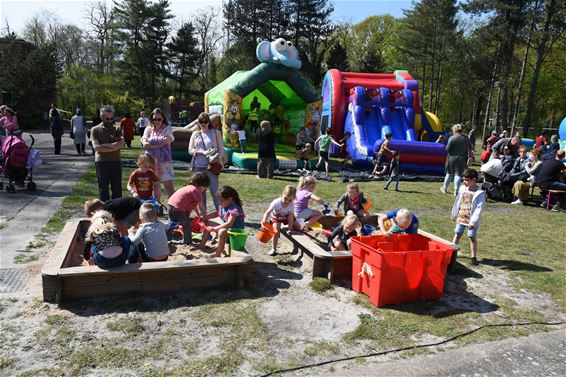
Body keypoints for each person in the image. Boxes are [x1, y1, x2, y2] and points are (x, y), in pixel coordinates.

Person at [188, 112, 227, 210]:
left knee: (215, 191)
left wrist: (217, 157)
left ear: (209, 122)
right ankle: (204, 214)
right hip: (198, 166)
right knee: (200, 192)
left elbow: (221, 148)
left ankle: (220, 213)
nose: (203, 124)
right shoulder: (195, 134)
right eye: (201, 122)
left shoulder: (215, 133)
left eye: (205, 121)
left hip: (212, 166)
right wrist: (200, 152)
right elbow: (190, 150)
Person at [451, 168, 486, 266]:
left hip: (471, 220)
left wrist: (473, 222)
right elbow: (458, 202)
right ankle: (451, 252)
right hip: (461, 217)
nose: (464, 182)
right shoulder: (462, 189)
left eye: (466, 180)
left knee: (471, 237)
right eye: (464, 180)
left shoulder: (480, 193)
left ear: (474, 180)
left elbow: (479, 209)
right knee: (457, 234)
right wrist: (454, 214)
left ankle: (473, 257)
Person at [200, 186, 245, 258]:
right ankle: (201, 245)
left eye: (221, 200)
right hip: (228, 229)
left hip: (235, 233)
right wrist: (205, 217)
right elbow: (217, 213)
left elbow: (229, 223)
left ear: (229, 199)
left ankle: (217, 253)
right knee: (208, 223)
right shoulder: (224, 205)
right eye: (219, 200)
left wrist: (215, 228)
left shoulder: (234, 208)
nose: (219, 202)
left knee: (221, 231)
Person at [91, 105, 124, 201]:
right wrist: (114, 146)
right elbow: (96, 147)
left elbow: (121, 144)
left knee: (117, 189)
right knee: (103, 189)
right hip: (101, 162)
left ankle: (117, 210)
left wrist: (105, 145)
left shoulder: (117, 129)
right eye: (107, 118)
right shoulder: (95, 129)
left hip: (116, 162)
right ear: (102, 117)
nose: (110, 121)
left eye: (111, 118)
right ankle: (105, 210)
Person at [141, 108, 175, 202]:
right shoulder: (148, 128)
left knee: (168, 185)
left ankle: (174, 207)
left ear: (163, 119)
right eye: (155, 119)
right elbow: (145, 144)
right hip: (151, 161)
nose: (157, 121)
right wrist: (160, 143)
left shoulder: (167, 128)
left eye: (159, 119)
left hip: (164, 161)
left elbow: (168, 140)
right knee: (154, 184)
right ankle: (156, 206)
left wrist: (151, 143)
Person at [167, 172, 210, 245]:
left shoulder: (188, 188)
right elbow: (201, 206)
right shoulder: (196, 191)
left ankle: (167, 238)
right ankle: (187, 242)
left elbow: (195, 205)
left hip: (171, 206)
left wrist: (199, 215)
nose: (204, 190)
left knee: (173, 225)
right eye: (205, 187)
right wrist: (205, 217)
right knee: (187, 226)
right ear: (201, 185)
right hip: (179, 210)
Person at [261, 185, 297, 256]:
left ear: (293, 198)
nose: (287, 201)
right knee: (276, 231)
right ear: (282, 194)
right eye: (285, 198)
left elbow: (290, 217)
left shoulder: (291, 204)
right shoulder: (276, 202)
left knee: (297, 225)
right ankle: (273, 249)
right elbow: (267, 212)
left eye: (290, 200)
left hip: (286, 218)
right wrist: (264, 221)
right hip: (276, 218)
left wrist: (290, 228)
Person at [441, 124, 470, 195]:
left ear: (454, 130)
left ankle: (444, 188)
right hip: (462, 158)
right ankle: (456, 190)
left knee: (449, 173)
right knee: (458, 174)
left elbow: (447, 149)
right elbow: (470, 147)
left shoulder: (452, 138)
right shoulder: (466, 138)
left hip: (452, 158)